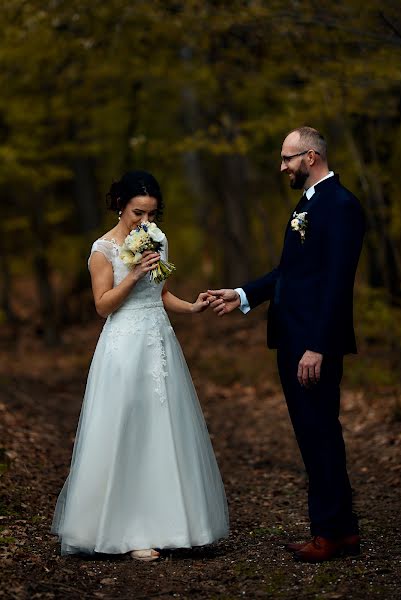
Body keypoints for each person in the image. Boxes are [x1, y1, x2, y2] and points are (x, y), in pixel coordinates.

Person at [52, 170, 229, 561]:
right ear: (120, 206)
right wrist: (132, 274)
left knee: (163, 429)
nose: (145, 222)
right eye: (138, 213)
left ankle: (174, 525)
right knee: (125, 429)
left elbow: (162, 293)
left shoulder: (158, 240)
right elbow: (102, 306)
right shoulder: (102, 250)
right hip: (123, 345)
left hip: (159, 341)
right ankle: (124, 529)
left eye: (151, 214)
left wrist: (193, 307)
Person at [208, 127, 365, 563]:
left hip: (313, 344)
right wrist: (240, 295)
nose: (283, 167)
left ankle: (330, 533)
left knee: (319, 434)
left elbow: (337, 284)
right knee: (314, 435)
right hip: (294, 338)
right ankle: (342, 529)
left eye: (287, 159)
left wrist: (318, 345)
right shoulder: (309, 205)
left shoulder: (341, 206)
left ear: (311, 157)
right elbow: (289, 273)